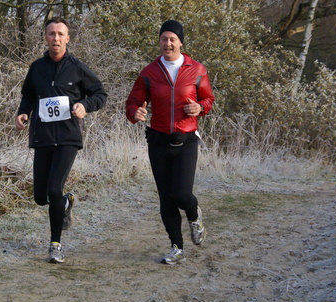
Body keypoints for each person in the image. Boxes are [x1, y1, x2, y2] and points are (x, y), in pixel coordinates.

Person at [16, 16, 107, 264]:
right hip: (43, 137)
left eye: (60, 34)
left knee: (54, 188)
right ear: (45, 38)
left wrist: (84, 105)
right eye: (51, 34)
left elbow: (100, 93)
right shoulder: (37, 68)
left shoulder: (77, 67)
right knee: (40, 197)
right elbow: (28, 95)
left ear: (68, 38)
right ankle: (66, 202)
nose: (55, 38)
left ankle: (55, 245)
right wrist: (23, 112)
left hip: (67, 138)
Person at [125, 20, 215, 265]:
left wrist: (200, 107)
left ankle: (194, 216)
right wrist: (136, 113)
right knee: (166, 198)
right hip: (158, 141)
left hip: (186, 140)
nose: (168, 43)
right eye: (164, 39)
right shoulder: (149, 72)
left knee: (182, 194)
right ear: (160, 42)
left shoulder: (197, 70)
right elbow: (133, 102)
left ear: (180, 42)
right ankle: (177, 247)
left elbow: (208, 99)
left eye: (172, 39)